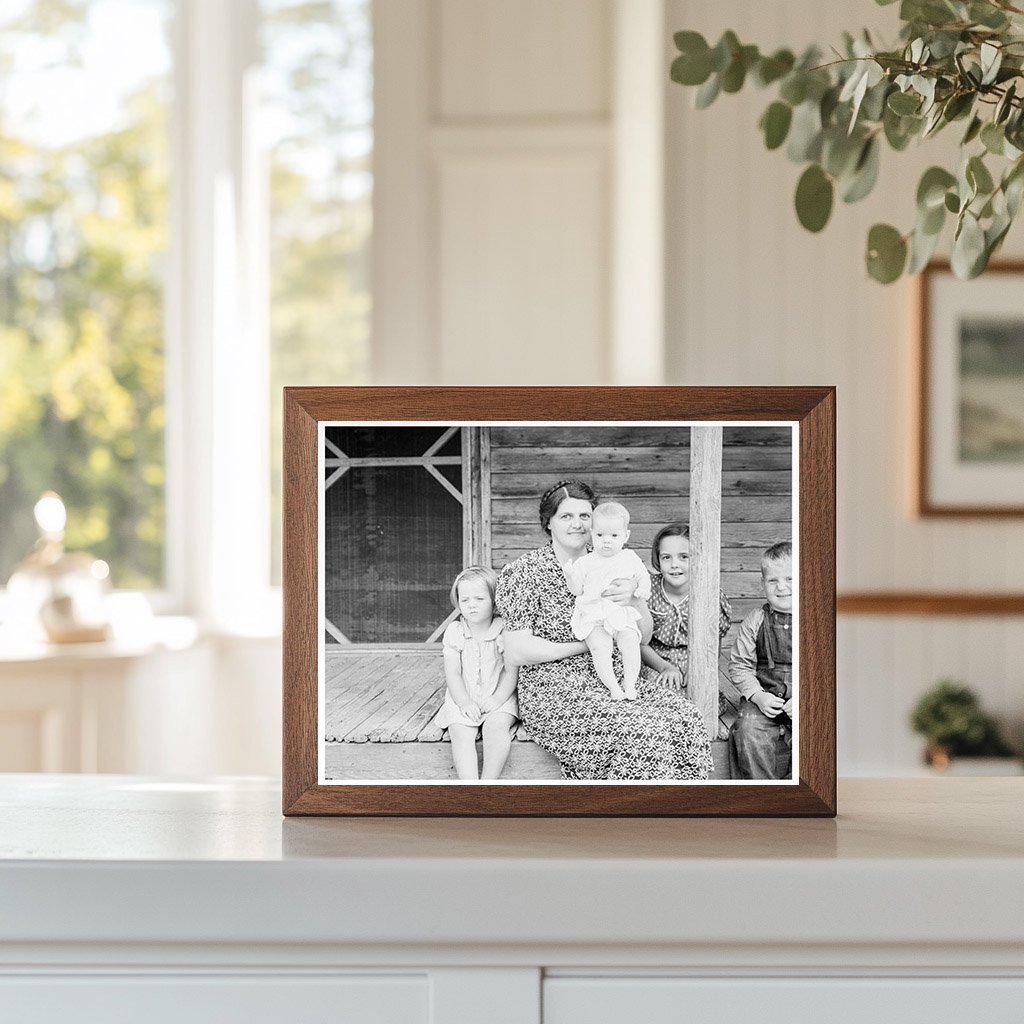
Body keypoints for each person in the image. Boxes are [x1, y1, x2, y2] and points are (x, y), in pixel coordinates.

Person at [495, 480, 713, 781]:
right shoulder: (525, 571)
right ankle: (623, 809)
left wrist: (634, 599)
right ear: (548, 523)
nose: (577, 524)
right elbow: (518, 650)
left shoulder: (617, 560)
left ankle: (679, 808)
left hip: (619, 681)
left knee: (683, 717)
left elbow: (644, 637)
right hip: (556, 689)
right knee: (638, 732)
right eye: (566, 516)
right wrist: (590, 644)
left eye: (584, 516)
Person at [435, 566, 519, 781]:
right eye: (465, 600)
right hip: (464, 695)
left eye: (479, 599)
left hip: (499, 694)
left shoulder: (505, 630)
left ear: (494, 601)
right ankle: (470, 788)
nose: (471, 605)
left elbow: (511, 670)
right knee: (460, 732)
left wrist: (498, 698)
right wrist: (464, 702)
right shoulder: (455, 632)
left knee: (496, 726)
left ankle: (488, 784)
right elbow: (453, 673)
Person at [563, 501, 651, 701]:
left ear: (625, 536)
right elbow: (576, 590)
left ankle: (630, 684)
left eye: (614, 536)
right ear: (592, 534)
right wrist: (570, 575)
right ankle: (613, 687)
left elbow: (643, 576)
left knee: (630, 641)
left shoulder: (629, 557)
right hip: (594, 613)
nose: (606, 541)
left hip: (620, 611)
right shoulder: (585, 562)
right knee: (600, 648)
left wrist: (642, 589)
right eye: (600, 535)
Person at [727, 541, 794, 780]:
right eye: (773, 580)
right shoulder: (756, 620)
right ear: (762, 584)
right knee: (746, 730)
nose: (781, 587)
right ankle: (763, 790)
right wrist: (757, 696)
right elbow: (740, 665)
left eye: (790, 578)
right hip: (764, 697)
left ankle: (799, 789)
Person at [641, 522, 732, 691]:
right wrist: (665, 668)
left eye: (684, 557)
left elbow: (713, 642)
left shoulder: (709, 594)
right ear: (658, 559)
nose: (674, 564)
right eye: (666, 557)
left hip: (695, 660)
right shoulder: (647, 590)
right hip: (654, 661)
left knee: (701, 694)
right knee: (660, 693)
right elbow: (640, 642)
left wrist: (700, 668)